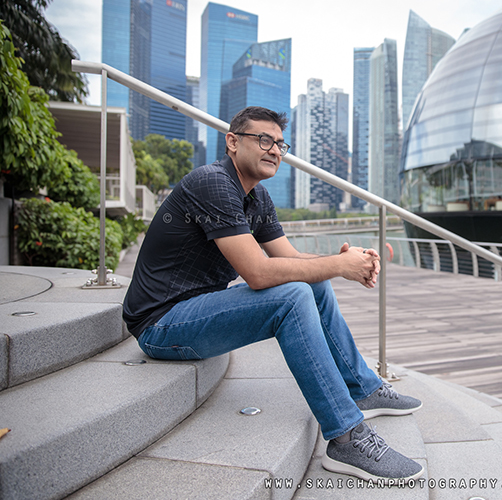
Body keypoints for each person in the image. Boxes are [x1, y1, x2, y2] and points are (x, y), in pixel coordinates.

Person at [122, 106, 424, 483]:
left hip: (195, 310)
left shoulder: (257, 197)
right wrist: (338, 265)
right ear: (232, 142)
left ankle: (362, 387)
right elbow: (259, 273)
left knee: (311, 282)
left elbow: (293, 259)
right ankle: (346, 436)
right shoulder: (212, 183)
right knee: (291, 297)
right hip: (161, 324)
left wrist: (341, 260)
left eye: (281, 144)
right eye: (264, 140)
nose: (275, 150)